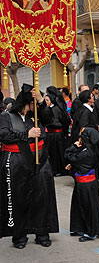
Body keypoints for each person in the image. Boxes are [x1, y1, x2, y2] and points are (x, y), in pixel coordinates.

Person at [0, 84, 59, 249]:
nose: (36, 106)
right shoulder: (7, 116)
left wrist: (41, 100)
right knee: (19, 198)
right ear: (26, 102)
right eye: (34, 103)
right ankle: (19, 235)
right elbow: (3, 135)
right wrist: (26, 135)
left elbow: (51, 120)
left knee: (41, 195)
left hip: (40, 159)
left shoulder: (37, 115)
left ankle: (42, 232)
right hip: (16, 160)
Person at [64, 127, 99, 241]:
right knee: (83, 206)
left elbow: (68, 156)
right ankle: (83, 228)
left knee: (87, 207)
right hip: (86, 183)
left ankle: (91, 231)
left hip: (86, 184)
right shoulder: (91, 150)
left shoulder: (87, 153)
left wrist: (73, 147)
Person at [44, 86, 71, 176]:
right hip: (51, 134)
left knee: (59, 152)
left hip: (58, 133)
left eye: (47, 100)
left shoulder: (57, 109)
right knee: (53, 153)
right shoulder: (47, 109)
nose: (45, 102)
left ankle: (61, 169)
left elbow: (63, 121)